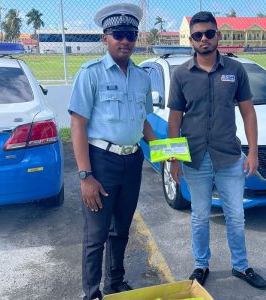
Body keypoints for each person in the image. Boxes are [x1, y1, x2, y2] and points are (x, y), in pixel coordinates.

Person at [167, 11, 266, 290]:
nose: (203, 39)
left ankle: (241, 266)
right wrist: (173, 160)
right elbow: (174, 120)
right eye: (197, 35)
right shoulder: (181, 75)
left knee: (235, 214)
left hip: (228, 157)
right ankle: (201, 265)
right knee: (199, 216)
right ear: (191, 40)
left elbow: (248, 113)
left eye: (209, 33)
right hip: (195, 158)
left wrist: (254, 153)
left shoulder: (235, 71)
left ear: (218, 36)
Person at [68, 3, 156, 299]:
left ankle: (115, 283)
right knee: (96, 235)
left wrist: (162, 151)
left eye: (131, 34)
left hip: (132, 161)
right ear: (105, 37)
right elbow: (78, 125)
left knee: (122, 229)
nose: (125, 40)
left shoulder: (143, 77)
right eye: (118, 33)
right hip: (101, 161)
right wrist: (85, 176)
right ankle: (92, 293)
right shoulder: (90, 73)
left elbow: (143, 121)